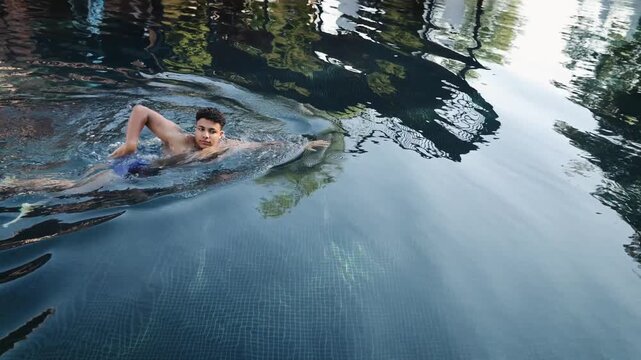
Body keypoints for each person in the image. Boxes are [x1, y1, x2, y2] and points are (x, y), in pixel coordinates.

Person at [1, 105, 329, 195]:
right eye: (200, 128)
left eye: (210, 132)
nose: (203, 135)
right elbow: (141, 110)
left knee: (76, 186)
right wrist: (130, 144)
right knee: (75, 189)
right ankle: (13, 186)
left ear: (221, 133)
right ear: (195, 126)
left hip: (151, 178)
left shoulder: (230, 146)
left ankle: (18, 183)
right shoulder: (177, 138)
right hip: (139, 166)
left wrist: (306, 144)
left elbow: (266, 145)